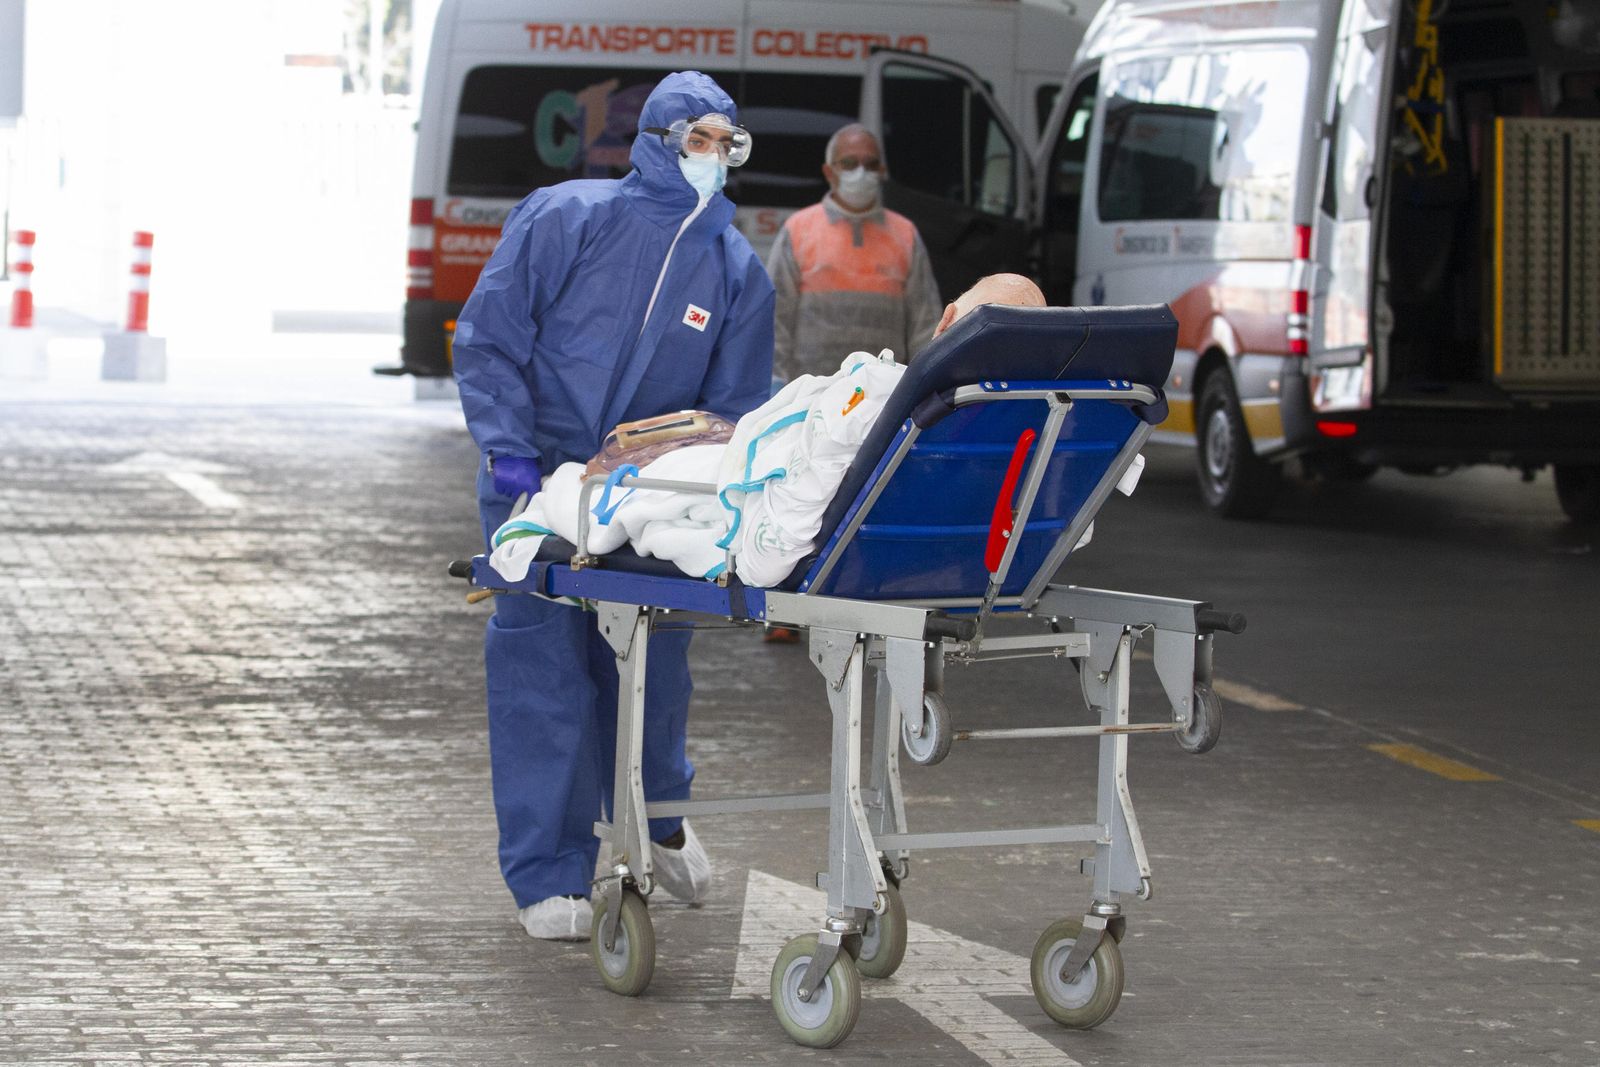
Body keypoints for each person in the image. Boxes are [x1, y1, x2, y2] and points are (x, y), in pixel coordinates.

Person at [452, 72, 775, 941]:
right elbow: (491, 336)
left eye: (726, 142)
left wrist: (699, 489)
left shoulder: (735, 268)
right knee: (542, 671)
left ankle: (658, 813)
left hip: (648, 498)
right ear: (658, 139)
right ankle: (550, 874)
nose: (713, 156)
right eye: (698, 139)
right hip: (538, 485)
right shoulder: (568, 218)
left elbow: (736, 408)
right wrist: (510, 449)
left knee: (654, 665)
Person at [766, 123, 944, 380]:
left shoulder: (904, 233)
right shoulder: (799, 229)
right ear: (829, 172)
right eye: (849, 163)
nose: (861, 172)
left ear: (882, 171)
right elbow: (775, 318)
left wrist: (922, 384)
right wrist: (777, 382)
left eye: (870, 164)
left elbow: (925, 324)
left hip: (883, 394)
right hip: (810, 391)